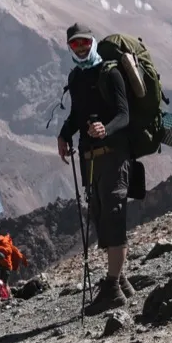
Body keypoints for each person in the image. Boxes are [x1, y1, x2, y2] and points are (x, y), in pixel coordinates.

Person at [58, 23, 133, 313]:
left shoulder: (110, 73)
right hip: (90, 159)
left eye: (84, 43)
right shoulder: (76, 77)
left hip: (114, 156)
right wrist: (64, 134)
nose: (80, 48)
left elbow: (124, 115)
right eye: (75, 44)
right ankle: (121, 280)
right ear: (69, 47)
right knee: (102, 218)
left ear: (93, 42)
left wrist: (106, 128)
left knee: (114, 218)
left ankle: (112, 289)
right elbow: (77, 114)